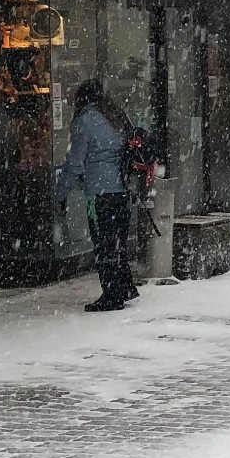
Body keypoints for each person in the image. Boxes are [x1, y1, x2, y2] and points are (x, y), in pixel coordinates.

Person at [55, 78, 138, 310]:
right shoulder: (116, 116)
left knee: (104, 244)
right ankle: (125, 286)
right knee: (118, 243)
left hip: (101, 193)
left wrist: (60, 194)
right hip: (122, 191)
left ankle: (112, 294)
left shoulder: (85, 121)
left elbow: (75, 163)